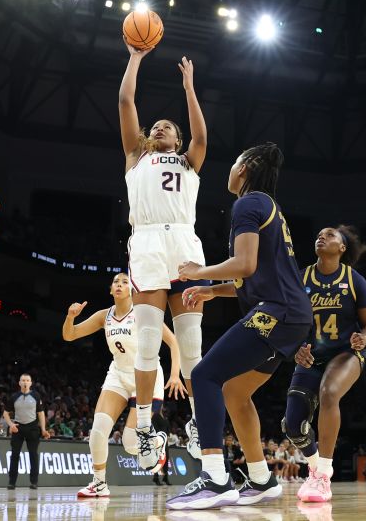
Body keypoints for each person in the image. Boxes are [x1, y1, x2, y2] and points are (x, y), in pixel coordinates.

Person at [166, 142, 312, 510]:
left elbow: (244, 264)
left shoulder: (248, 204)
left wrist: (199, 271)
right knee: (234, 392)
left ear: (244, 168)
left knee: (204, 375)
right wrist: (212, 290)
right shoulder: (269, 207)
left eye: (234, 164)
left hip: (276, 312)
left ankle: (215, 478)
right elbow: (253, 275)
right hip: (292, 315)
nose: (230, 170)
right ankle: (261, 478)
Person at [118, 39, 209, 468]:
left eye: (167, 127)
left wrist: (189, 89)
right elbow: (125, 101)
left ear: (177, 139)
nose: (159, 129)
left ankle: (199, 422)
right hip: (149, 242)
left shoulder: (190, 161)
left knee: (191, 346)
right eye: (154, 126)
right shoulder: (135, 157)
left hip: (185, 243)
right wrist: (135, 59)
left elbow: (201, 136)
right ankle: (144, 427)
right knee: (148, 342)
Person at [62, 273, 185, 498]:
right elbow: (70, 335)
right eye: (116, 282)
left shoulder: (143, 312)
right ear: (111, 290)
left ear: (132, 290)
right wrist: (70, 317)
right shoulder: (104, 316)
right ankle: (99, 484)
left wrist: (175, 374)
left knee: (129, 443)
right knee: (98, 431)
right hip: (118, 374)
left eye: (125, 282)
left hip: (146, 377)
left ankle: (158, 441)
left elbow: (173, 341)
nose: (119, 285)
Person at [284, 225, 366, 502]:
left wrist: (363, 338)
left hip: (346, 353)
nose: (321, 237)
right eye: (319, 235)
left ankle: (323, 475)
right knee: (292, 425)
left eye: (330, 235)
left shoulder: (354, 280)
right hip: (311, 355)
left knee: (329, 393)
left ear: (342, 248)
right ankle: (315, 468)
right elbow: (289, 322)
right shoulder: (302, 278)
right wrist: (296, 348)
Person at [3, 374, 50, 489]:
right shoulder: (14, 397)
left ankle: (34, 482)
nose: (25, 382)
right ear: (19, 383)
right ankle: (12, 482)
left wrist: (43, 429)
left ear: (31, 383)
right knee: (15, 455)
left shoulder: (36, 396)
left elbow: (41, 413)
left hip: (32, 427)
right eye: (23, 380)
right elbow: (5, 413)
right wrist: (11, 425)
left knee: (33, 455)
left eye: (27, 380)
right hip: (18, 427)